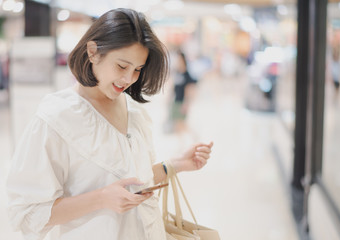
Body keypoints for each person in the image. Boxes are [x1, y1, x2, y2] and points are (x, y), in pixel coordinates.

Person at [6, 8, 213, 240]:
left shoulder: (134, 112)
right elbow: (27, 212)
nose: (129, 79)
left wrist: (174, 165)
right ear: (93, 52)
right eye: (122, 66)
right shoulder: (56, 118)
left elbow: (132, 183)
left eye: (137, 70)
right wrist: (101, 198)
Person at [169, 50, 197, 134]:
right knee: (177, 124)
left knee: (181, 123)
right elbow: (173, 88)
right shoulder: (177, 73)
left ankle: (194, 134)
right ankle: (181, 143)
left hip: (182, 102)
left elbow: (189, 91)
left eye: (179, 60)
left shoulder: (187, 75)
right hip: (176, 101)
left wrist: (186, 104)